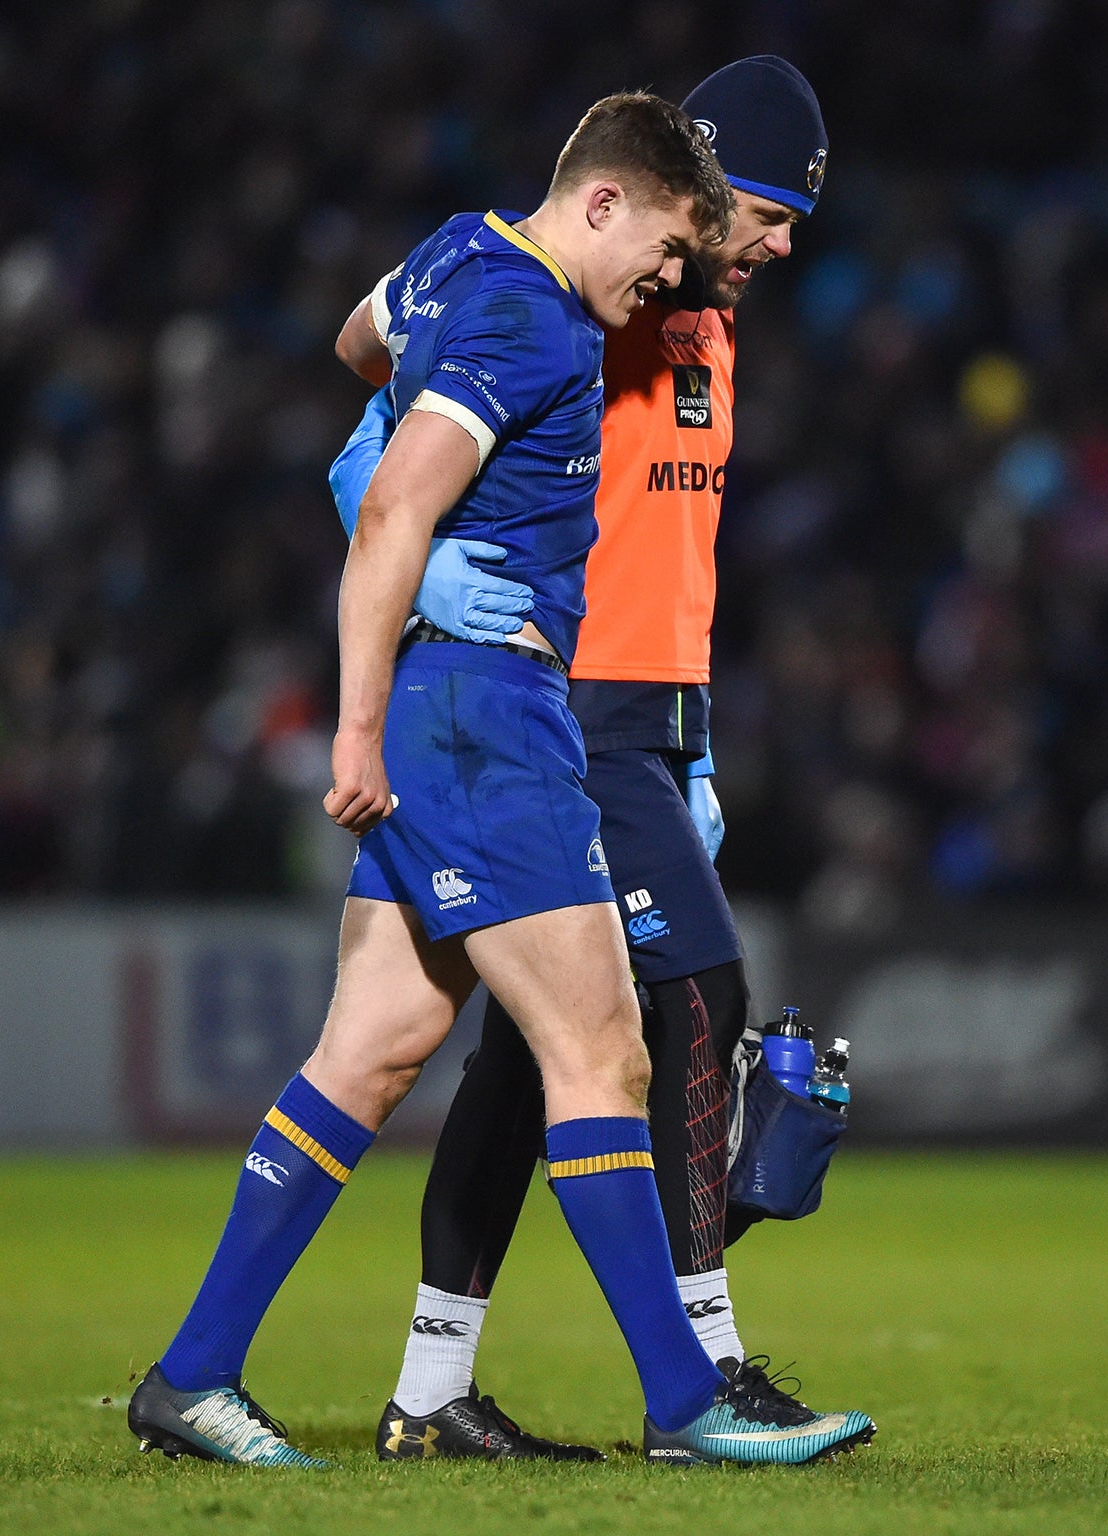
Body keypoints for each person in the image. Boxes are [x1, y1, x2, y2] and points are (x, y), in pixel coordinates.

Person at [126, 90, 871, 1470]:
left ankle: (193, 1374)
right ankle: (688, 1391)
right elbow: (401, 492)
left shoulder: (465, 254)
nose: (676, 274)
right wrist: (360, 696)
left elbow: (363, 343)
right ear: (611, 203)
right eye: (682, 242)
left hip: (467, 703)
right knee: (605, 1049)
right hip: (494, 708)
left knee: (373, 1055)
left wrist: (679, 733)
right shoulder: (548, 314)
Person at [331, 58, 854, 1462]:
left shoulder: (702, 330)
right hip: (564, 703)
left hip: (650, 717)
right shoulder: (594, 302)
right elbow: (386, 342)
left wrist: (693, 739)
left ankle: (434, 1387)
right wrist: (383, 496)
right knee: (702, 995)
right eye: (759, 213)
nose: (777, 244)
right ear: (677, 194)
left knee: (523, 1057)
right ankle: (704, 1376)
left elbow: (673, 554)